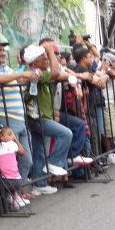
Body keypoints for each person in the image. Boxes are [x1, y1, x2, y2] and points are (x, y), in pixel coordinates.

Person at [0, 36, 37, 185]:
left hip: (18, 118)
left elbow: (16, 79)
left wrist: (31, 74)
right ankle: (12, 195)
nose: (2, 53)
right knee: (10, 161)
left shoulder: (5, 68)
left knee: (26, 159)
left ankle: (18, 191)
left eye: (3, 50)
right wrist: (22, 74)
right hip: (4, 118)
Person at [22, 43, 70, 195]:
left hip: (40, 116)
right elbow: (56, 73)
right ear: (35, 61)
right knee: (66, 134)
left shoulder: (38, 72)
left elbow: (60, 74)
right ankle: (55, 163)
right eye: (44, 58)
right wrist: (50, 51)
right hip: (38, 117)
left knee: (40, 151)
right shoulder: (36, 72)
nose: (47, 60)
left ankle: (39, 184)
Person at [0, 126, 29, 210]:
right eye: (10, 134)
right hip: (16, 178)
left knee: (6, 191)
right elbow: (22, 152)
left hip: (4, 178)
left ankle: (10, 202)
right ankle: (15, 201)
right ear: (2, 137)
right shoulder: (12, 144)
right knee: (15, 189)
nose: (13, 136)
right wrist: (15, 140)